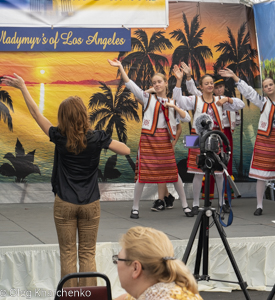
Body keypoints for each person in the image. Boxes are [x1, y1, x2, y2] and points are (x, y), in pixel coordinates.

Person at [1, 73, 131, 287]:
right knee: (88, 254)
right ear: (83, 115)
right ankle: (89, 297)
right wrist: (104, 141)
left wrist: (23, 87)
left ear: (63, 117)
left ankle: (71, 297)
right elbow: (125, 149)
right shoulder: (97, 137)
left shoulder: (59, 136)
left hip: (64, 203)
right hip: (91, 203)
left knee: (68, 253)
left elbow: (36, 114)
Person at [108, 59, 193, 219]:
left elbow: (187, 118)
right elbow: (130, 84)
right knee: (143, 175)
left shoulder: (172, 102)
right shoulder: (147, 98)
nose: (157, 84)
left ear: (165, 83)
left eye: (159, 81)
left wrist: (174, 107)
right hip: (148, 140)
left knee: (174, 175)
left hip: (164, 141)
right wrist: (120, 67)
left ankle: (185, 206)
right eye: (154, 82)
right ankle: (135, 208)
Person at [219, 68, 275, 215]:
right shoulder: (263, 102)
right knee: (261, 175)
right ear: (263, 89)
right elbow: (249, 92)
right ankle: (259, 206)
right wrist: (234, 77)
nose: (268, 87)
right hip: (264, 140)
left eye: (271, 84)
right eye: (265, 86)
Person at [172, 65, 244, 215]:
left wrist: (228, 98)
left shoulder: (220, 100)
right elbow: (178, 99)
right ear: (201, 87)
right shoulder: (195, 100)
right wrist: (179, 81)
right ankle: (196, 205)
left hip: (215, 137)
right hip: (196, 137)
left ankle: (222, 203)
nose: (211, 85)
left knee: (219, 172)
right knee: (197, 172)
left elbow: (240, 104)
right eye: (207, 83)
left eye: (212, 83)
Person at [113, 226, 203, 300]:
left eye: (118, 259)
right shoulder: (165, 290)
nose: (117, 263)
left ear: (136, 268)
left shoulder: (155, 295)